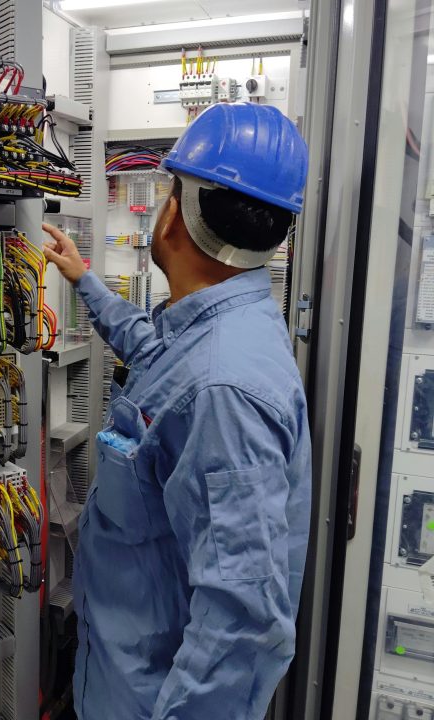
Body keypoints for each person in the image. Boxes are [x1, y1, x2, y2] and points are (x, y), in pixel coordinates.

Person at [42, 102, 311, 720]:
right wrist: (86, 282)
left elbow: (242, 625)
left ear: (178, 212)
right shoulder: (220, 330)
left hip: (145, 698)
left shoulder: (224, 389)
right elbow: (157, 359)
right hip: (118, 673)